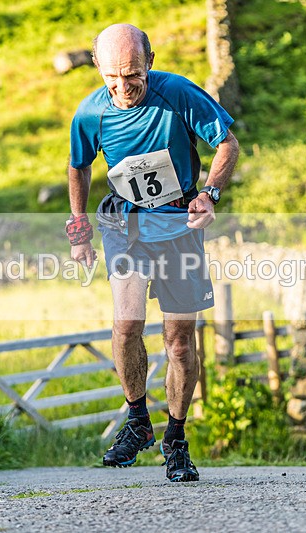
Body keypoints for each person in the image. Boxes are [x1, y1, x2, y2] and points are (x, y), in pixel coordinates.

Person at [66, 23, 239, 482]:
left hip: (179, 221)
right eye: (112, 78)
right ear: (99, 71)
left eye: (133, 75)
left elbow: (227, 144)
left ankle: (175, 438)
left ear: (150, 62)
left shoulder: (179, 94)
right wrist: (80, 225)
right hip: (123, 223)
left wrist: (211, 195)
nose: (123, 88)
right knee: (127, 323)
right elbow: (78, 166)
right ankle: (138, 419)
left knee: (180, 341)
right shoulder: (89, 114)